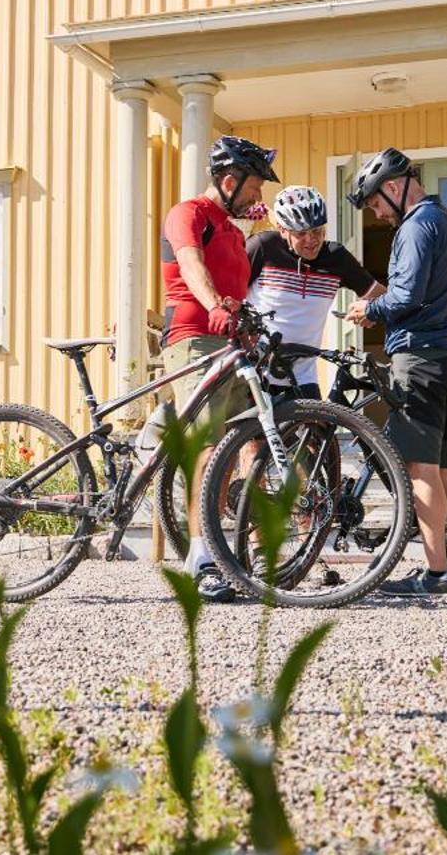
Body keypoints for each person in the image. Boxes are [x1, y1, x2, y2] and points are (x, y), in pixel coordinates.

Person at [342, 148, 447, 597]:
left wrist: (369, 308)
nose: (379, 213)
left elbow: (405, 297)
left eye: (376, 203)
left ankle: (436, 573)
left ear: (395, 185)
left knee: (421, 470)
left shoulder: (417, 227)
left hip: (420, 359)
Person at [160, 133, 277, 603]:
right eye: (253, 189)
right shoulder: (189, 213)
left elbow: (239, 288)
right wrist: (215, 306)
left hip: (230, 341)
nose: (258, 199)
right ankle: (200, 560)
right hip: (195, 339)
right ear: (229, 181)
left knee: (245, 443)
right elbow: (190, 263)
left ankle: (246, 549)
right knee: (208, 448)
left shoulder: (231, 230)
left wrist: (245, 323)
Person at [246, 185, 385, 399]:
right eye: (301, 233)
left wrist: (372, 309)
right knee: (257, 433)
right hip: (255, 369)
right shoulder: (264, 247)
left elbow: (379, 295)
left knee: (316, 431)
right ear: (283, 230)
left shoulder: (336, 257)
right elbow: (230, 292)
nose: (311, 240)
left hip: (302, 375)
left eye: (317, 231)